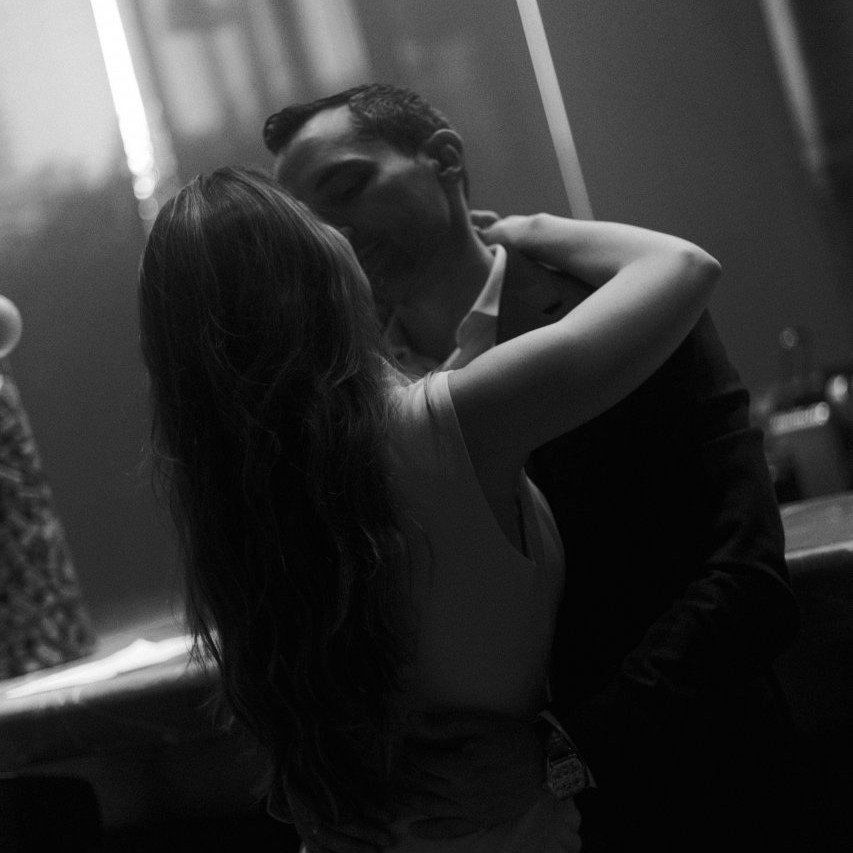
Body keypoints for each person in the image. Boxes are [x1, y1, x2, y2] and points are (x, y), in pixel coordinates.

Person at [263, 85, 802, 852]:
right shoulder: (342, 396)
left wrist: (567, 747)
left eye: (346, 187)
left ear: (444, 159)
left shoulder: (622, 310)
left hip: (691, 792)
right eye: (306, 221)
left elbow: (745, 573)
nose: (331, 233)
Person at [137, 166, 719, 852]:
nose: (343, 231)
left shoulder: (228, 502)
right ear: (312, 277)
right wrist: (524, 229)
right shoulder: (450, 423)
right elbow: (681, 265)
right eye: (318, 221)